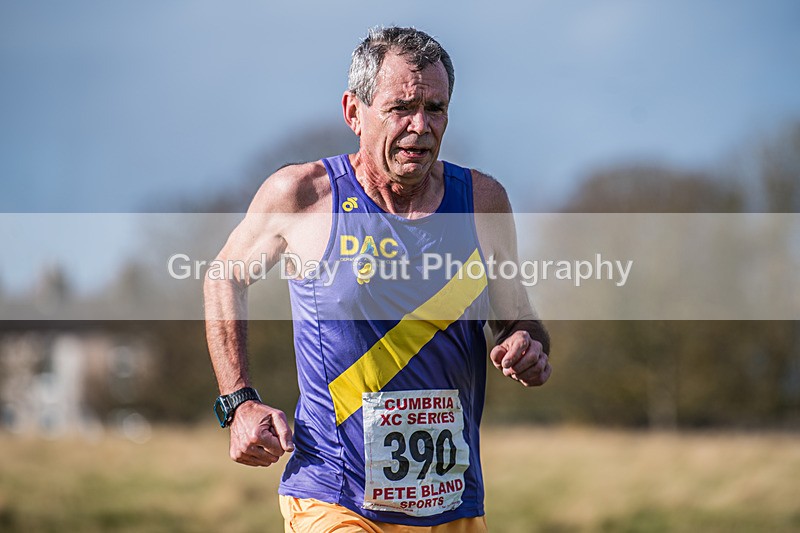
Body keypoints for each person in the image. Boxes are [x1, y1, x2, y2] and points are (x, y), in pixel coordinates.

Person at [204, 26, 552, 533]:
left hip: (450, 502)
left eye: (436, 109)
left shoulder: (481, 202)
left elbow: (516, 316)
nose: (420, 126)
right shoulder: (303, 197)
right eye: (400, 108)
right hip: (334, 495)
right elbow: (223, 276)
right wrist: (238, 402)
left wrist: (527, 343)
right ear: (354, 112)